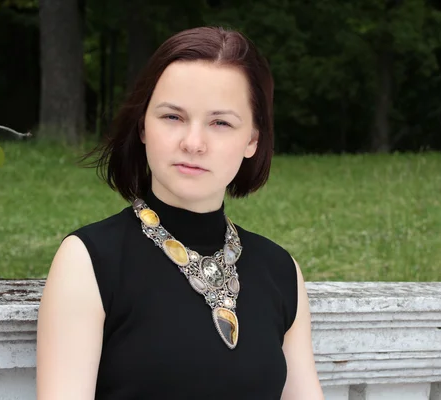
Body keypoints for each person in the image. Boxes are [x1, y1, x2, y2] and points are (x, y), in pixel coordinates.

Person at [36, 26, 325, 400]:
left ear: (253, 139)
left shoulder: (281, 271)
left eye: (220, 123)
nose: (193, 143)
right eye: (172, 117)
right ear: (142, 125)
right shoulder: (89, 261)